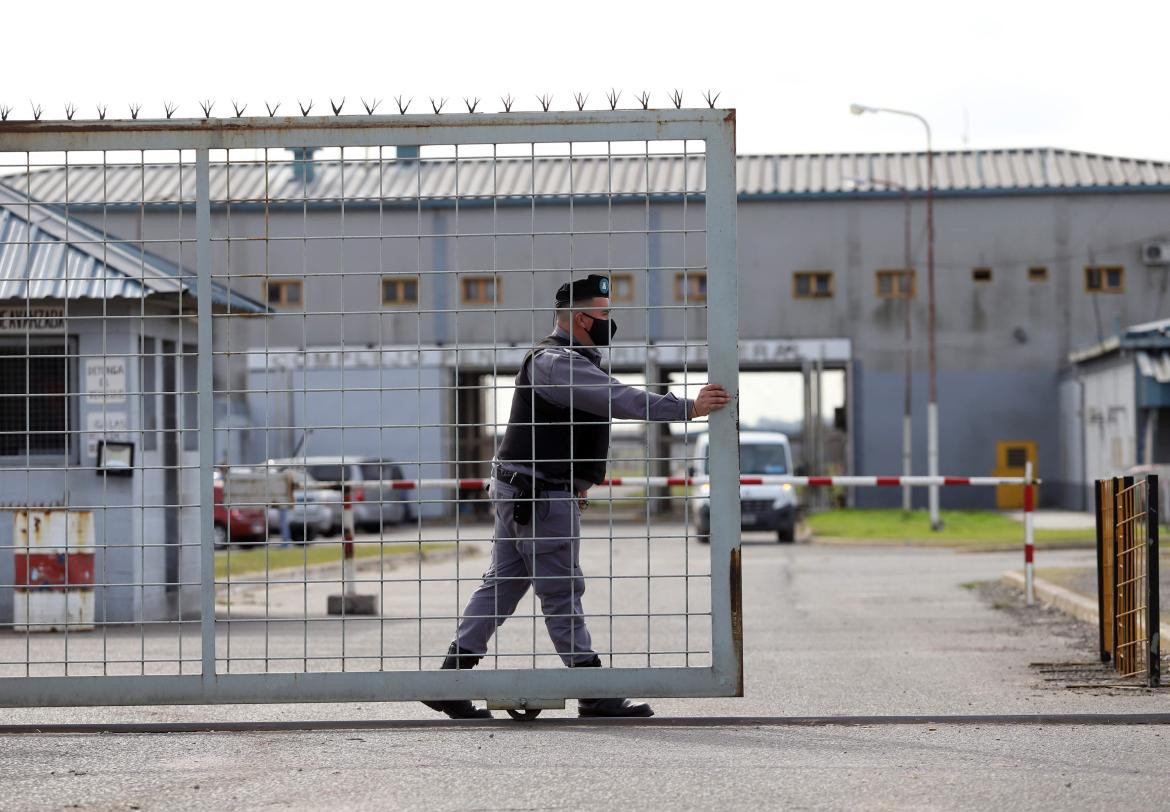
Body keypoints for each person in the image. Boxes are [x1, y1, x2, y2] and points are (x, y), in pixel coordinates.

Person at [423, 274, 731, 719]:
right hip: (538, 496)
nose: (610, 322)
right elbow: (619, 399)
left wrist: (574, 484)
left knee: (503, 587)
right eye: (605, 314)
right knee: (562, 590)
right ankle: (592, 689)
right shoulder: (558, 362)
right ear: (582, 317)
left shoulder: (560, 359)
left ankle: (449, 679)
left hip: (530, 490)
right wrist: (688, 408)